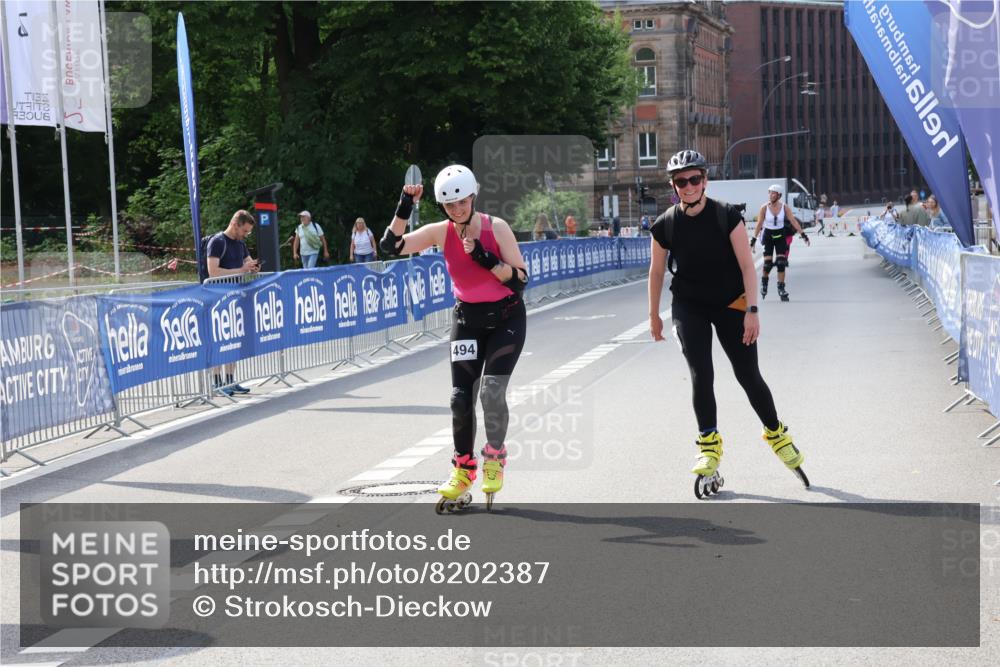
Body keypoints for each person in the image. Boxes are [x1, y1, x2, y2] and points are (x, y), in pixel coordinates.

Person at [648, 149, 808, 498]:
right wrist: (653, 316)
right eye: (681, 181)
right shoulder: (665, 224)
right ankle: (708, 445)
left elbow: (748, 266)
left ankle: (777, 434)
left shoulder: (726, 215)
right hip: (689, 305)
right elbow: (657, 272)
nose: (688, 186)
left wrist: (753, 310)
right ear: (674, 186)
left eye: (694, 179)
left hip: (732, 302)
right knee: (700, 373)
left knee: (747, 374)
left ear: (705, 181)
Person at [379, 165, 529, 513]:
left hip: (506, 319)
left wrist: (485, 258)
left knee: (491, 392)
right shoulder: (441, 232)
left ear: (473, 197)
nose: (457, 210)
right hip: (467, 321)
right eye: (450, 205)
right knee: (460, 399)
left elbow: (521, 280)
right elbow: (391, 246)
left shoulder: (496, 228)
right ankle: (463, 470)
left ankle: (494, 457)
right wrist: (405, 205)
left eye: (462, 202)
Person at [207, 210, 260, 396]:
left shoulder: (240, 244)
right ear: (235, 224)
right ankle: (217, 382)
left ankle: (230, 380)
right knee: (219, 340)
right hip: (217, 299)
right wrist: (241, 269)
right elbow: (213, 271)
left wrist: (253, 267)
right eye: (244, 231)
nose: (246, 235)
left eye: (248, 232)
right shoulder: (217, 242)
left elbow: (248, 263)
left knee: (233, 339)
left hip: (235, 298)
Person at [751, 183, 810, 302]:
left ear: (779, 195)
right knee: (767, 264)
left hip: (780, 236)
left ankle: (781, 288)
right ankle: (764, 283)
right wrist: (753, 240)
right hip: (768, 236)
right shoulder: (764, 208)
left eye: (773, 193)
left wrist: (803, 235)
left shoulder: (784, 207)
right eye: (770, 193)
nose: (771, 195)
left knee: (781, 263)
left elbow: (793, 221)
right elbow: (759, 224)